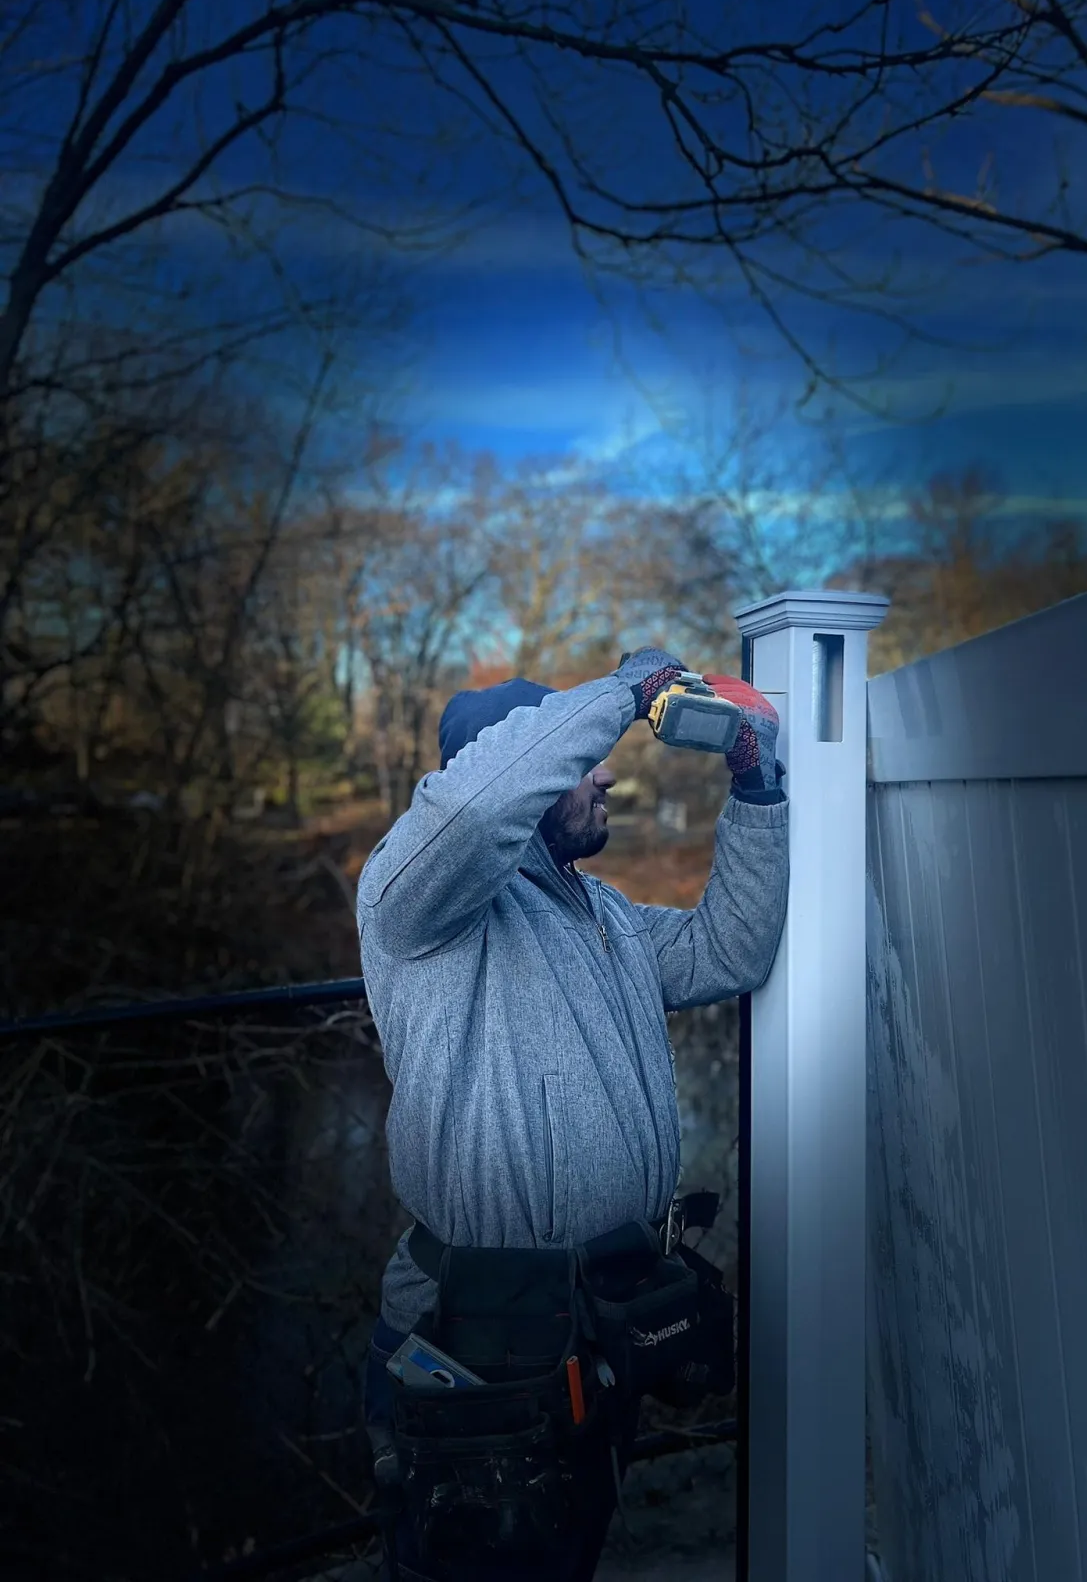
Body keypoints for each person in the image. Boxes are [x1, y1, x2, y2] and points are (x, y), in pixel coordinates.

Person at [357, 647, 789, 1580]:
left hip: (593, 1320)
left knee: (565, 1554)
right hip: (477, 1344)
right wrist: (620, 696)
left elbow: (732, 950)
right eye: (579, 758)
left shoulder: (605, 913)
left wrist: (755, 785)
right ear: (524, 771)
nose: (605, 769)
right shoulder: (417, 909)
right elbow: (470, 810)